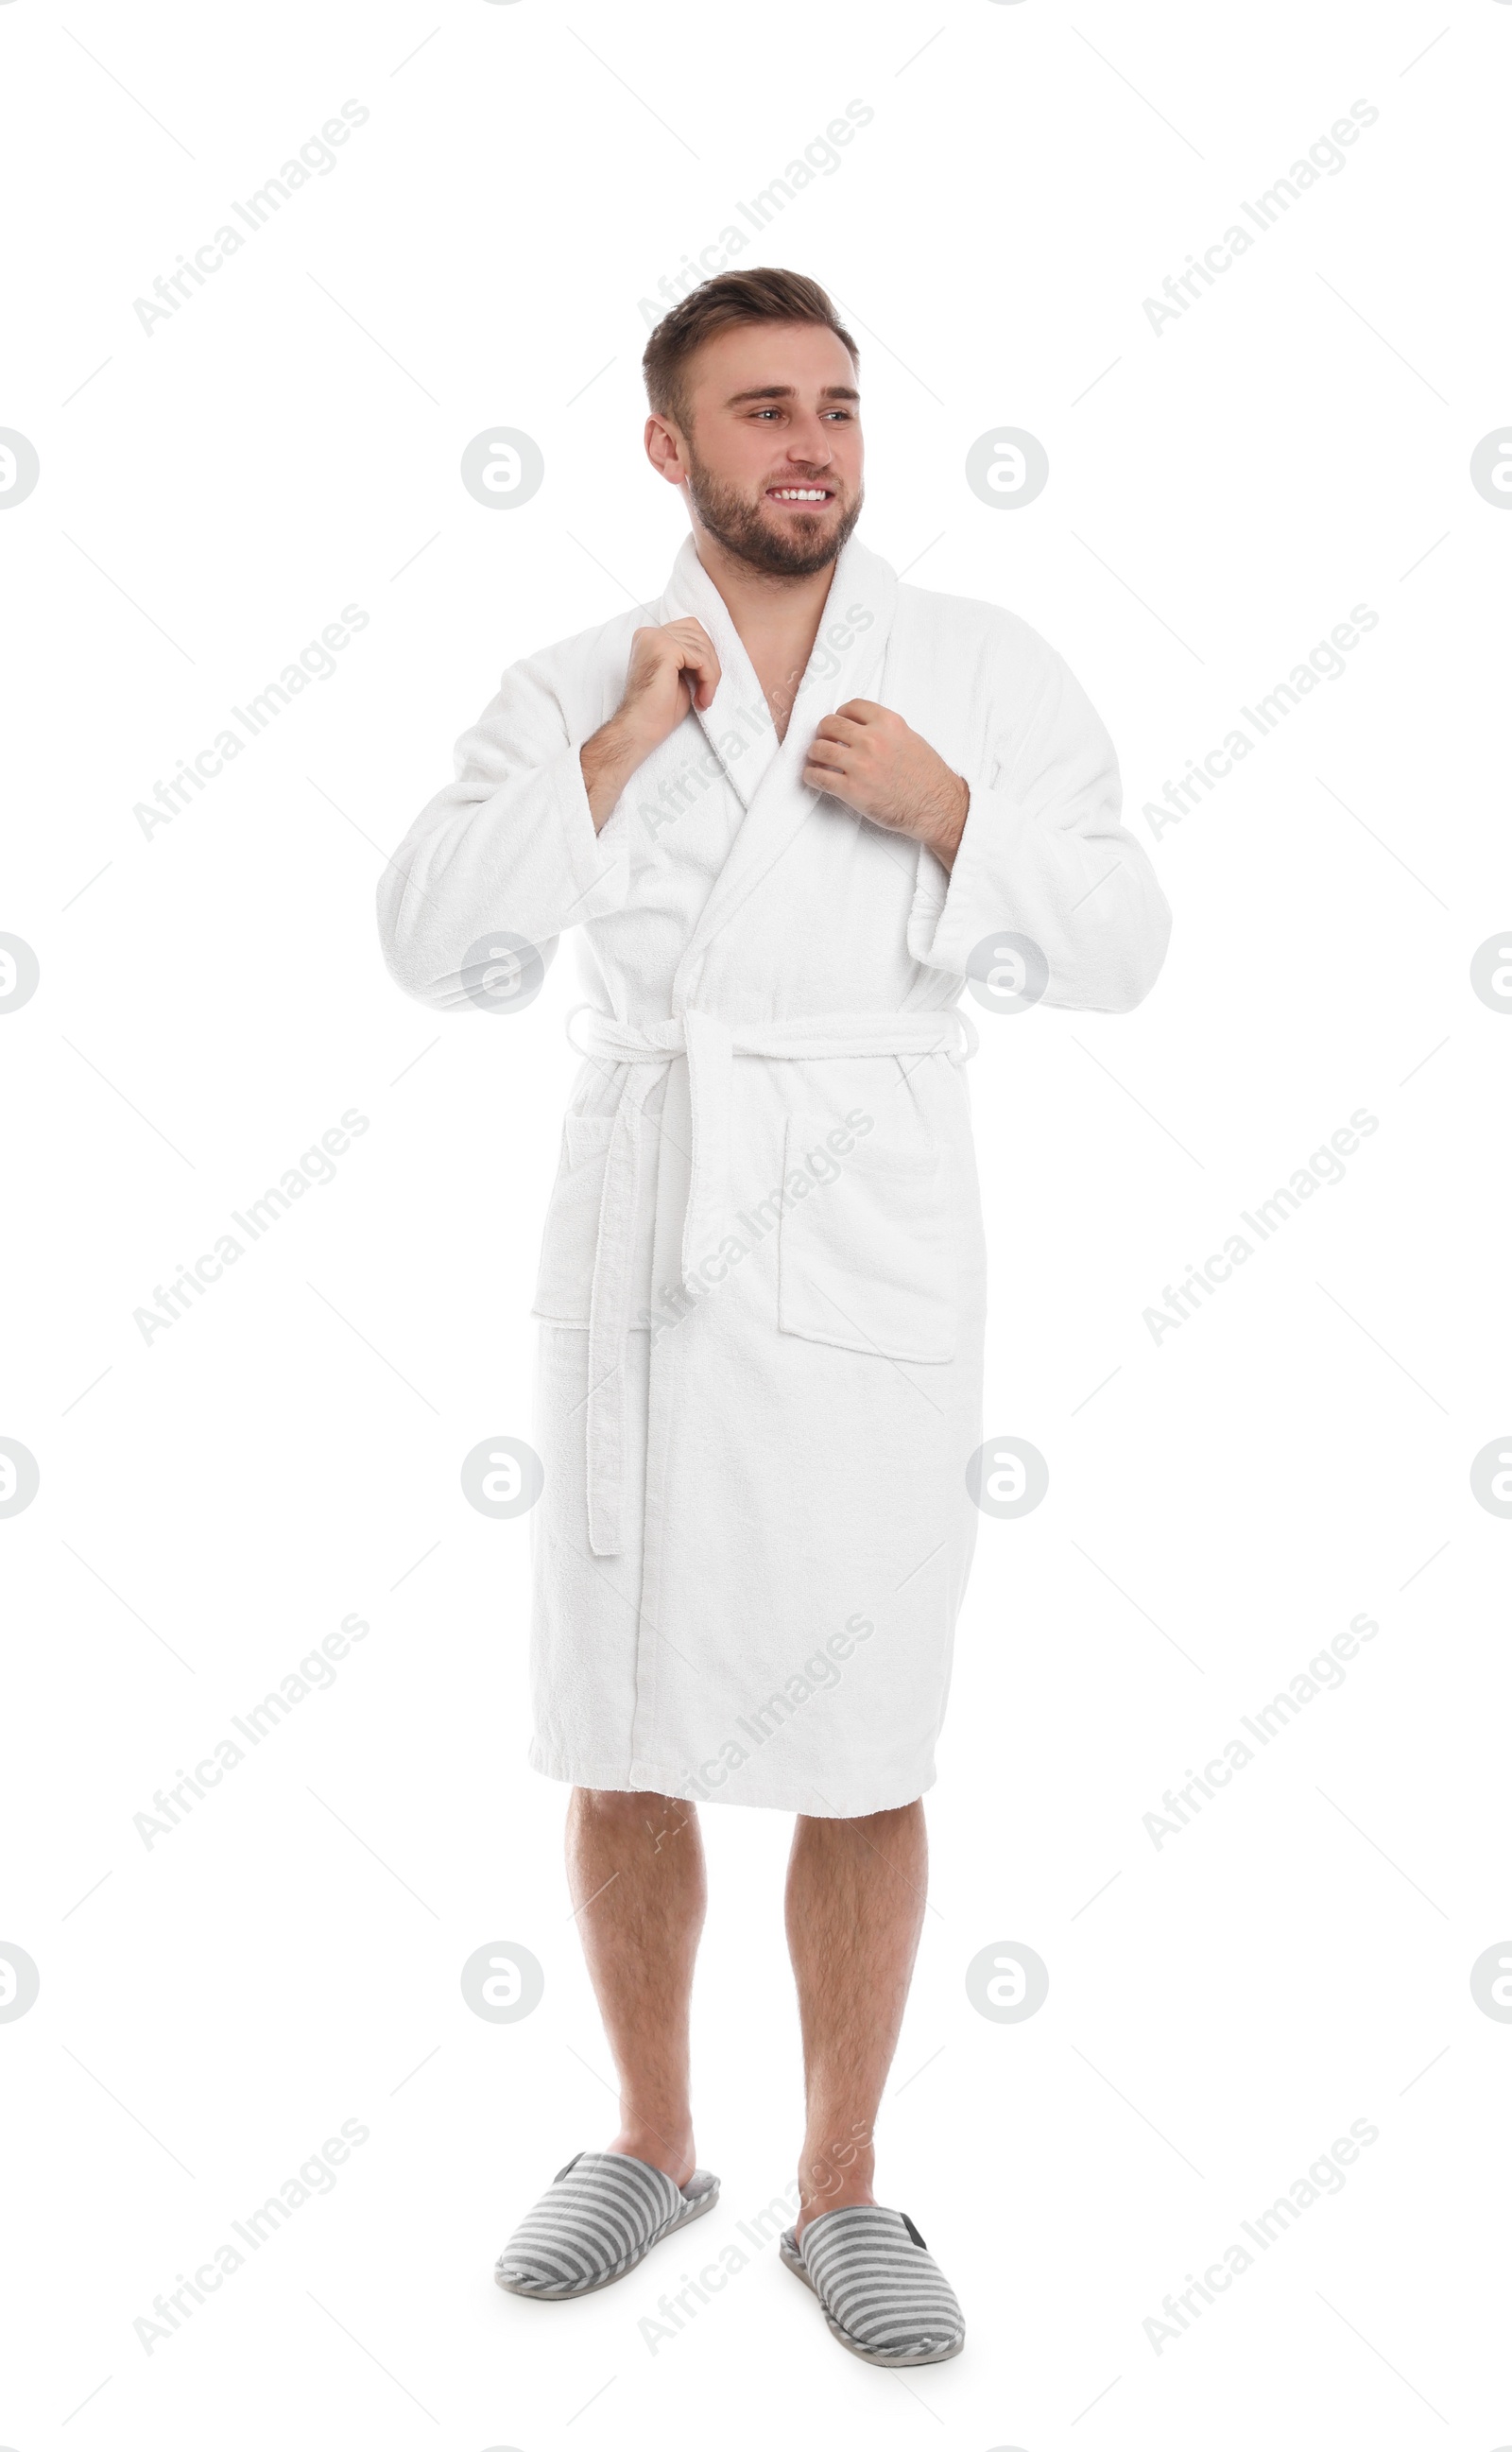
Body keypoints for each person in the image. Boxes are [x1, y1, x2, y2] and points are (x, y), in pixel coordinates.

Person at [376, 267, 1172, 2366]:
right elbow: (433, 940)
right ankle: (649, 2141)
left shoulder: (980, 674)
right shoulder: (576, 678)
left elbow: (1123, 944)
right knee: (619, 1725)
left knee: (861, 1733)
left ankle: (843, 2183)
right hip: (646, 1228)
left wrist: (953, 819)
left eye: (831, 404)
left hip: (868, 1230)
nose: (804, 442)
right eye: (755, 411)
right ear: (670, 450)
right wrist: (626, 745)